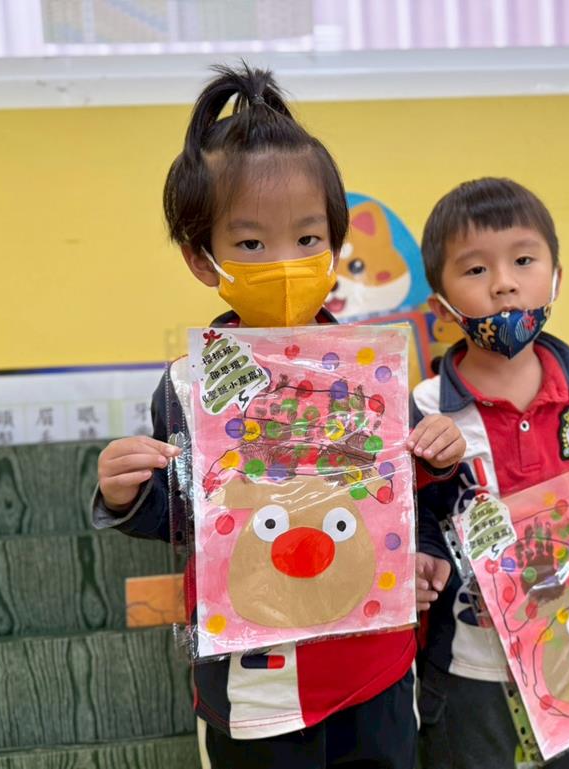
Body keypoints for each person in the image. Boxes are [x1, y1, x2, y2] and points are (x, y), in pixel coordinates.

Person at [92, 63, 462, 769]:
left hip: (373, 666)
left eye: (308, 239)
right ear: (203, 259)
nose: (286, 262)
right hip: (256, 680)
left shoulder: (373, 371)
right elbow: (187, 515)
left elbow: (393, 495)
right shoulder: (189, 383)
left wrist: (435, 458)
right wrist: (126, 494)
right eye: (252, 244)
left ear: (335, 247)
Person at [412, 177, 569, 769]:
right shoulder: (426, 410)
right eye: (476, 269)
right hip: (472, 663)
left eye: (523, 261)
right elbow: (416, 517)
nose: (504, 283)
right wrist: (420, 557)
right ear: (442, 308)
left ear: (556, 278)